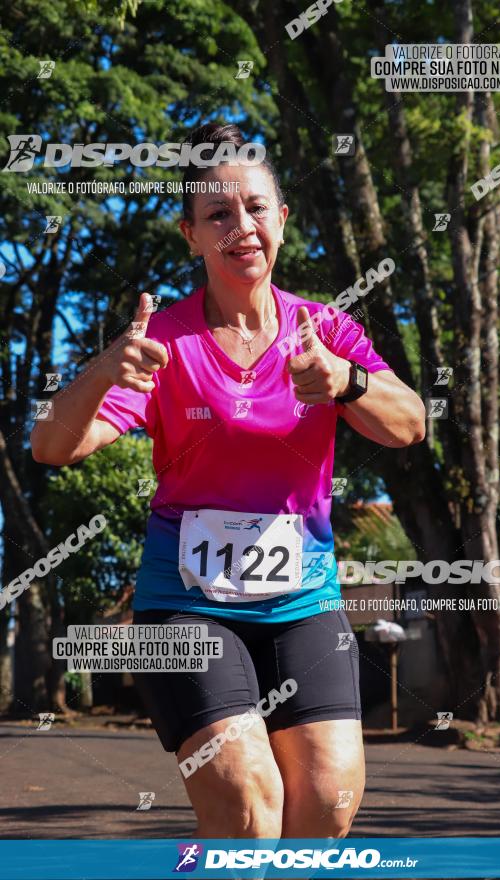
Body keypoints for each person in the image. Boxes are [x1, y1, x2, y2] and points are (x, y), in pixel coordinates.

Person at [31, 122, 426, 840]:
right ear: (191, 235)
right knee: (247, 804)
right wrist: (100, 369)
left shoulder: (326, 331)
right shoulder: (163, 346)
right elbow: (52, 446)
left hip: (302, 600)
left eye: (253, 207)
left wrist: (344, 381)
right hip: (184, 607)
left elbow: (409, 425)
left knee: (329, 803)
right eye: (217, 214)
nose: (239, 226)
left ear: (281, 219)